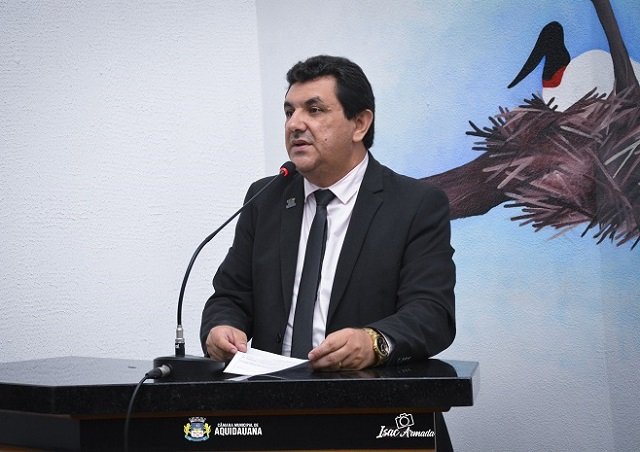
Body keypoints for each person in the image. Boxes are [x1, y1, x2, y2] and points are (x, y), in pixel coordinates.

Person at [200, 55, 455, 373]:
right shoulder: (265, 198)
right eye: (289, 112)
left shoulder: (414, 204)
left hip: (364, 393)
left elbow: (432, 313)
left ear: (359, 124)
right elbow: (231, 295)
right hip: (270, 392)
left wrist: (372, 342)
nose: (294, 124)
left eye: (314, 110)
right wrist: (221, 327)